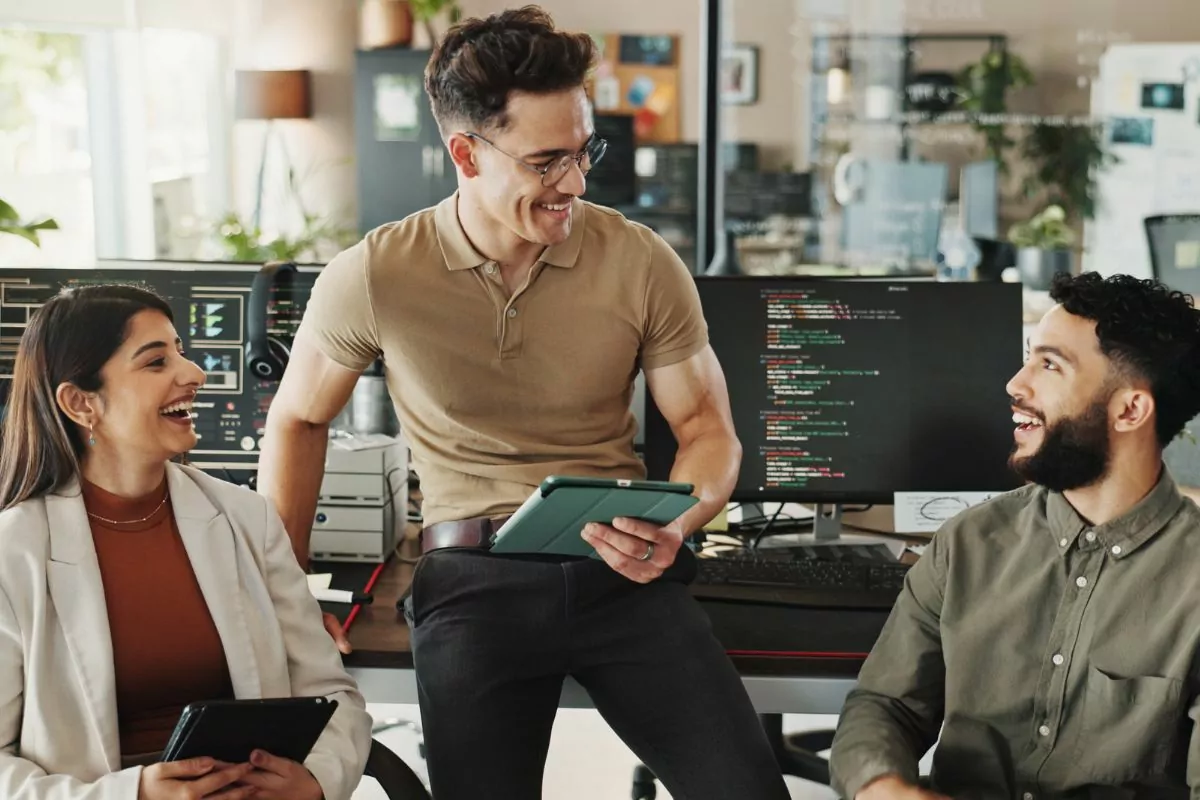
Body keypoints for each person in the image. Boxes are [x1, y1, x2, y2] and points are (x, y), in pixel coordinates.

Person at [256, 6, 789, 799]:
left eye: (583, 152)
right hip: (472, 578)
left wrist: (677, 525)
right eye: (546, 162)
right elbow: (298, 418)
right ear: (466, 154)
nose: (575, 183)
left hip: (618, 569)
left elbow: (707, 428)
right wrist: (287, 596)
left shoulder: (640, 260)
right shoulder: (375, 274)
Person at [829, 272, 1200, 799]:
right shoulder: (967, 542)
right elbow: (885, 705)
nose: (1015, 385)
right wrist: (886, 788)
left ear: (1130, 410)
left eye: (1049, 365)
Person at [0, 285, 372, 800]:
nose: (195, 373)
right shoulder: (13, 552)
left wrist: (316, 779)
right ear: (81, 403)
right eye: (156, 362)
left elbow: (331, 695)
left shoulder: (246, 519)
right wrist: (132, 794)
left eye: (181, 352)